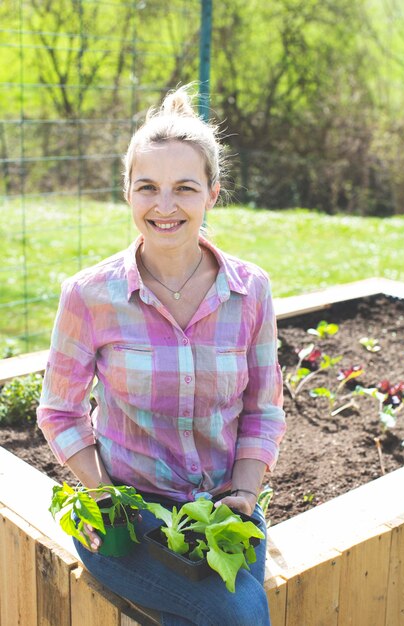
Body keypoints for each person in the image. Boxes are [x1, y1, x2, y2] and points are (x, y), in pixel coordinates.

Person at [37, 84, 286, 626]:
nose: (165, 206)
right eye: (147, 187)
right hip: (129, 521)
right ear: (127, 191)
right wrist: (107, 497)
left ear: (213, 194)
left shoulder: (251, 291)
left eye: (185, 188)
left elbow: (264, 410)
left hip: (222, 512)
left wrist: (245, 492)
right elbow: (59, 410)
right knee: (239, 619)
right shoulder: (90, 294)